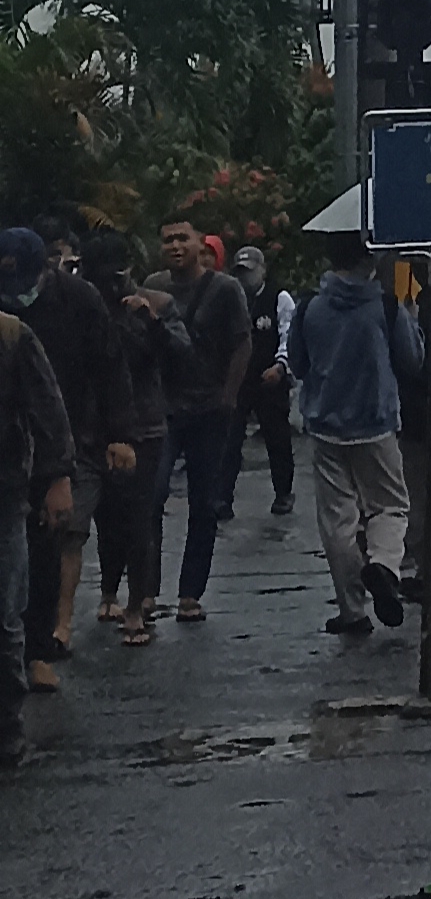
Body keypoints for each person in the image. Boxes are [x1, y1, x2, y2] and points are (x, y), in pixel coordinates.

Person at [10, 226, 133, 694]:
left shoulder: (79, 300)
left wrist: (119, 434)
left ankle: (38, 650)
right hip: (8, 439)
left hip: (63, 435)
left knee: (48, 543)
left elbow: (109, 366)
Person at [290, 230, 419, 636]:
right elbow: (413, 362)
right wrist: (409, 318)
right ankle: (382, 565)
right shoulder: (384, 305)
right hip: (376, 423)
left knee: (338, 521)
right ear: (369, 260)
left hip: (326, 425)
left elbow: (297, 362)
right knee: (390, 506)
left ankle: (352, 611)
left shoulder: (309, 306)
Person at [142, 213, 250, 625]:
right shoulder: (152, 287)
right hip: (162, 407)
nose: (174, 246)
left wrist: (228, 397)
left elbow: (242, 343)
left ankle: (190, 593)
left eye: (182, 239)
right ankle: (146, 590)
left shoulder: (225, 289)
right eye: (167, 239)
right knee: (151, 499)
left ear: (198, 243)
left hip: (208, 408)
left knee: (204, 503)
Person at [86, 232, 178, 647]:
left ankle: (139, 602)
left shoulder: (151, 304)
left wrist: (147, 320)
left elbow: (177, 355)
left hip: (144, 424)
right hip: (99, 424)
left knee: (140, 516)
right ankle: (110, 591)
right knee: (107, 514)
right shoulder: (85, 307)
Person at [0, 237, 71, 767]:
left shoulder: (11, 336)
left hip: (5, 494)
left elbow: (48, 411)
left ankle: (6, 728)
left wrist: (55, 479)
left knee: (5, 616)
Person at [226, 247, 298, 521]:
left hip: (269, 378)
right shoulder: (233, 298)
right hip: (239, 379)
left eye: (251, 271)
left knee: (277, 438)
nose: (246, 277)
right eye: (241, 272)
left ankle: (283, 493)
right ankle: (223, 497)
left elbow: (288, 334)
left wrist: (280, 366)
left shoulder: (279, 298)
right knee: (231, 439)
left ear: (262, 270)